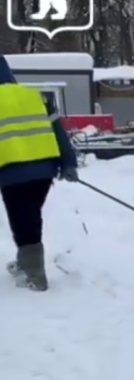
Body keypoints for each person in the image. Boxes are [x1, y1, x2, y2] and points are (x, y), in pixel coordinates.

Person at [0, 55, 79, 292]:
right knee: (30, 216)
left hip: (12, 172)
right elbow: (58, 131)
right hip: (45, 172)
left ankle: (35, 276)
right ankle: (25, 263)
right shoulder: (34, 96)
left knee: (23, 222)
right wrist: (69, 163)